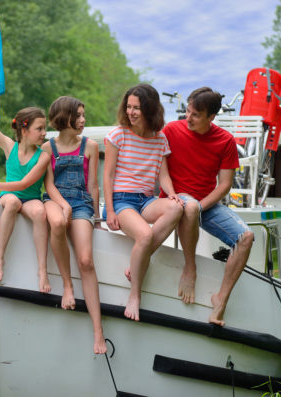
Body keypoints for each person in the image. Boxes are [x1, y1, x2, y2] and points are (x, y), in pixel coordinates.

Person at [0, 75, 76, 312]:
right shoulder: (8, 146)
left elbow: (24, 184)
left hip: (30, 195)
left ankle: (42, 270)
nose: (44, 133)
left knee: (40, 212)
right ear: (24, 129)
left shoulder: (43, 157)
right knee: (11, 204)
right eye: (39, 129)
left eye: (44, 128)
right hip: (11, 197)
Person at [161, 87, 254, 326]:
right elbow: (156, 166)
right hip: (177, 199)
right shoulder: (171, 130)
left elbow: (224, 186)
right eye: (188, 112)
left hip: (205, 204)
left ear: (211, 118)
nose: (188, 119)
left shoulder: (225, 141)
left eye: (195, 115)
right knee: (189, 207)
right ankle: (190, 269)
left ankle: (220, 300)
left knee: (246, 237)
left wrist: (201, 206)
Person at [103, 84, 183, 322]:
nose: (131, 112)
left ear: (149, 109)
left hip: (146, 200)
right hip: (120, 200)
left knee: (177, 207)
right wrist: (109, 211)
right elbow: (106, 176)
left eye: (136, 108)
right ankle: (134, 295)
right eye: (128, 107)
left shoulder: (160, 139)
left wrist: (171, 194)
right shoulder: (118, 135)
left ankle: (139, 258)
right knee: (145, 236)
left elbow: (163, 175)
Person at [40, 96, 106, 354]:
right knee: (57, 223)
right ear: (64, 118)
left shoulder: (89, 145)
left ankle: (98, 331)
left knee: (87, 261)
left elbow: (93, 186)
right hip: (56, 200)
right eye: (78, 115)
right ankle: (67, 285)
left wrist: (97, 220)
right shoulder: (47, 149)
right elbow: (48, 184)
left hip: (81, 204)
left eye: (83, 115)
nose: (83, 120)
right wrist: (61, 205)